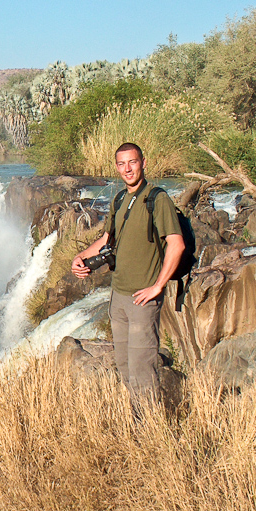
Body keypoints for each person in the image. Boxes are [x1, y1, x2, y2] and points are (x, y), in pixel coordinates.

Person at [71, 142, 184, 398]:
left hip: (143, 299)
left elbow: (177, 245)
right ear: (116, 167)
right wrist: (81, 256)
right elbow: (107, 239)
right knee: (124, 367)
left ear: (143, 162)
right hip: (118, 296)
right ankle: (134, 427)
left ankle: (149, 432)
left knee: (143, 370)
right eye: (122, 164)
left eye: (132, 162)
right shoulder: (120, 198)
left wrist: (158, 286)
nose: (127, 169)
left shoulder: (158, 198)